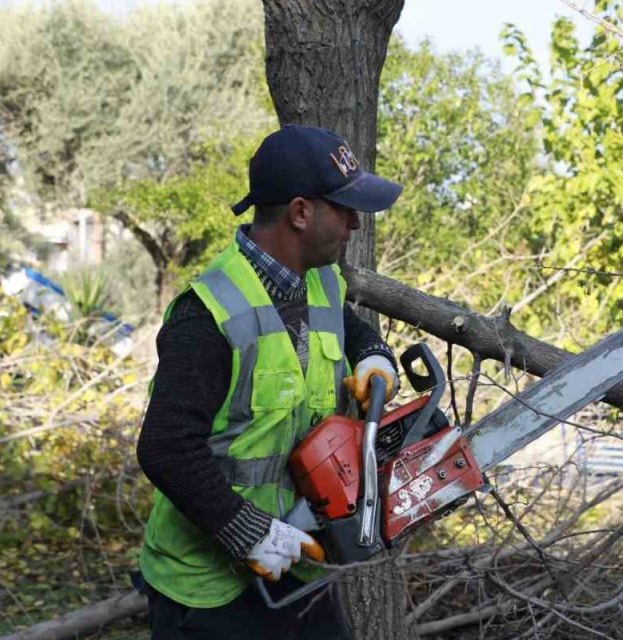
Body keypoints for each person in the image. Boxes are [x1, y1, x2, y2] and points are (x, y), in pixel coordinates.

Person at [135, 125, 403, 639]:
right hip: (209, 587)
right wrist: (248, 531)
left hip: (297, 562)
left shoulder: (320, 278)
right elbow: (166, 448)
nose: (354, 223)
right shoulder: (207, 316)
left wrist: (373, 355)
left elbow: (346, 325)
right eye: (343, 209)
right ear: (300, 212)